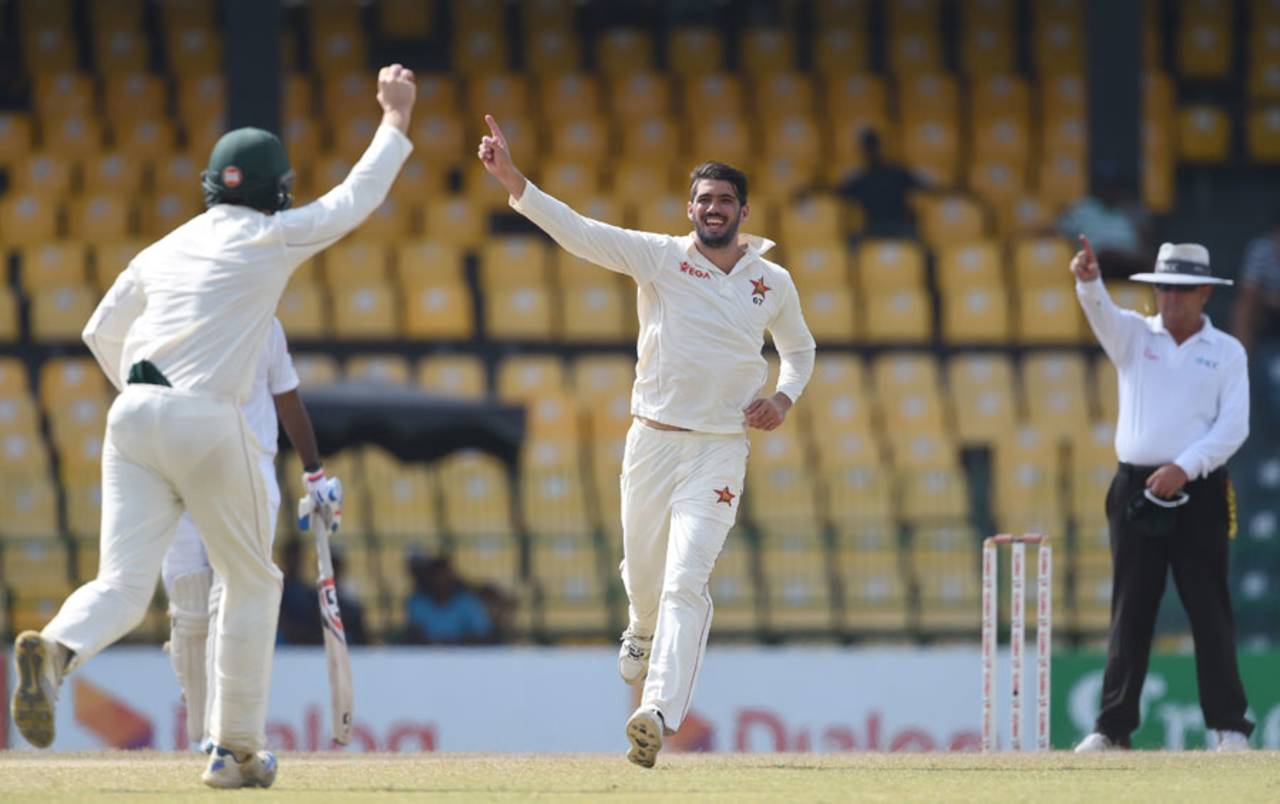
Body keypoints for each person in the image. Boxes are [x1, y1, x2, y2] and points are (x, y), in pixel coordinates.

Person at [9, 66, 416, 788]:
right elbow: (356, 199)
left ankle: (61, 649)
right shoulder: (268, 237)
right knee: (253, 580)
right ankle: (235, 750)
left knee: (123, 584)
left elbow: (101, 331)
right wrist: (395, 118)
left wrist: (151, 395)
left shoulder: (162, 247)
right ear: (274, 191)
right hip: (205, 417)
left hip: (130, 414)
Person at [478, 115, 816, 768]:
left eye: (724, 201)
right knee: (645, 580)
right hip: (652, 442)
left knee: (686, 582)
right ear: (689, 209)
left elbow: (799, 350)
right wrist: (514, 181)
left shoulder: (772, 282)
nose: (713, 209)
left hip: (719, 449)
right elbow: (581, 234)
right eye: (703, 200)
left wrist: (782, 396)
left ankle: (656, 712)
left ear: (743, 211)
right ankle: (638, 625)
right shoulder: (661, 258)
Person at [1070, 235, 1253, 753]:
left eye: (1182, 289)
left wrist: (1185, 466)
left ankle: (1229, 726)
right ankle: (1112, 727)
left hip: (1199, 487)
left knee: (1208, 609)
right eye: (1165, 288)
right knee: (1131, 608)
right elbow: (1102, 314)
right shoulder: (1135, 335)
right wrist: (1088, 282)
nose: (1171, 298)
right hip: (1136, 487)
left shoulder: (1225, 352)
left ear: (1204, 294)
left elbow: (1234, 427)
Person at [147, 317, 328, 751]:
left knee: (215, 601)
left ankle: (217, 733)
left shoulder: (254, 320)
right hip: (219, 473)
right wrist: (314, 472)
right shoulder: (212, 316)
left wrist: (314, 471)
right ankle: (218, 730)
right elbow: (287, 402)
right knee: (209, 603)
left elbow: (286, 399)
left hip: (213, 470)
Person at [801, 128, 930, 238]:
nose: (872, 153)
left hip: (900, 226)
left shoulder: (898, 173)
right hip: (873, 228)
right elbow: (835, 191)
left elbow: (927, 187)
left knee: (924, 250)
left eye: (874, 148)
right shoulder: (861, 179)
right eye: (869, 149)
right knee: (851, 246)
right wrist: (811, 190)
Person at [404, 555, 494, 644]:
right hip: (426, 655)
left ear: (451, 578)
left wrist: (455, 643)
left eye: (443, 578)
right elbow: (413, 633)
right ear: (429, 580)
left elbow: (483, 633)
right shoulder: (418, 602)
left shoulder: (468, 601)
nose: (440, 583)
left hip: (464, 655)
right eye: (436, 578)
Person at [1231, 223, 1280, 353]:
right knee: (1244, 308)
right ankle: (1241, 361)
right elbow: (1248, 291)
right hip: (1266, 312)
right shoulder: (1261, 249)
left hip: (1270, 299)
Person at [276, 537, 323, 645]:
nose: (294, 562)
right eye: (290, 558)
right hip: (285, 640)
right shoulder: (277, 590)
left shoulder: (309, 593)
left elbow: (316, 620)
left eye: (296, 558)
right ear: (284, 559)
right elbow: (278, 619)